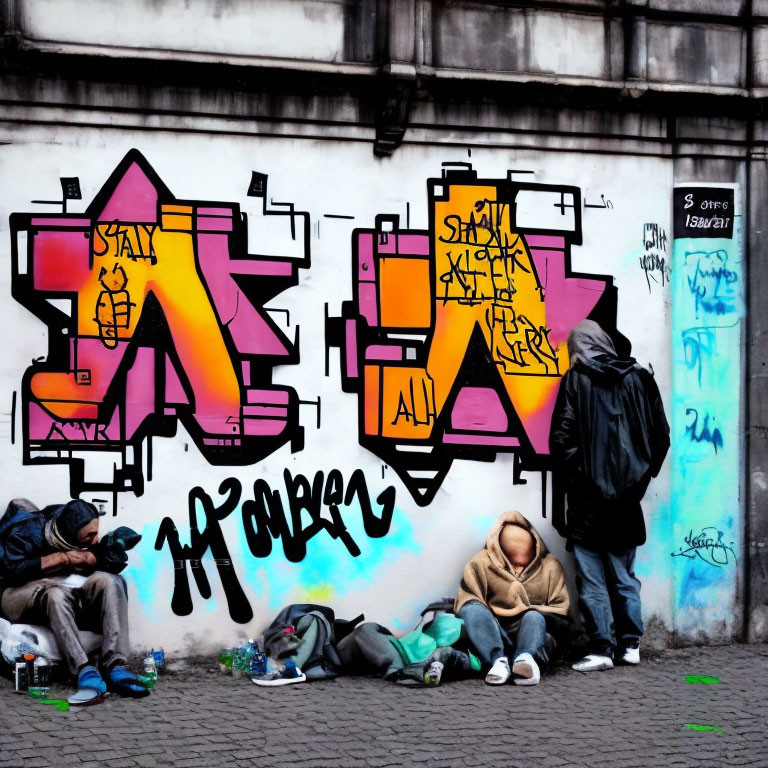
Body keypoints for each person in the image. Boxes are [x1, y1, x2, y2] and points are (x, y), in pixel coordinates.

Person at [549, 320, 669, 672]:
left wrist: (585, 477)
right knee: (623, 574)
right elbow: (661, 437)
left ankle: (602, 647)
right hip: (627, 502)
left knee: (592, 578)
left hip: (588, 502)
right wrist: (639, 478)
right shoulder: (641, 378)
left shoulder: (575, 380)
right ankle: (630, 644)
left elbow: (561, 441)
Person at [0, 498, 148, 697]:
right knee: (55, 595)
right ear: (71, 531)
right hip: (16, 593)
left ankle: (115, 664)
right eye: (90, 535)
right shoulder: (27, 533)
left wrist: (92, 557)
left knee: (111, 581)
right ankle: (82, 668)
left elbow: (105, 557)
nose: (95, 539)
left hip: (62, 585)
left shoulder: (75, 531)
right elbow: (13, 570)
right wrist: (62, 558)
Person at [455, 510, 570, 686]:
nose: (518, 570)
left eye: (525, 561)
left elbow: (560, 610)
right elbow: (468, 599)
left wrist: (529, 610)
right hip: (494, 630)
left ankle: (524, 660)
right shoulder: (481, 562)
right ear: (501, 553)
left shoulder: (550, 566)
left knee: (533, 617)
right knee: (471, 609)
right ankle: (498, 661)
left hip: (532, 633)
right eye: (513, 562)